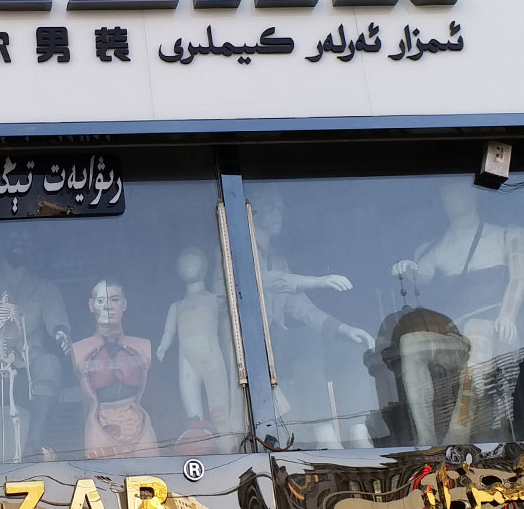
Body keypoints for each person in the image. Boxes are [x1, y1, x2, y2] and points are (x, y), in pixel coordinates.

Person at [389, 177, 524, 445]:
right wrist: (410, 270)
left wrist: (508, 314)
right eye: (448, 191)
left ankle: (458, 432)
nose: (455, 196)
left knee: (477, 327)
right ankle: (426, 440)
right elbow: (422, 275)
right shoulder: (433, 249)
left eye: (461, 189)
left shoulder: (508, 235)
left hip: (498, 332)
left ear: (475, 193)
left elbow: (519, 278)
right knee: (410, 343)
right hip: (458, 338)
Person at [250, 190, 375, 449]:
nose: (278, 214)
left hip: (282, 345)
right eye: (271, 207)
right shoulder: (239, 253)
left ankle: (358, 432)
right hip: (257, 350)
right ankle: (324, 435)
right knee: (305, 339)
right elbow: (267, 280)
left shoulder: (279, 260)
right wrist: (320, 281)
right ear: (254, 214)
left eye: (280, 208)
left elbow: (301, 307)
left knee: (349, 349)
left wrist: (344, 329)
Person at [0, 224, 71, 462]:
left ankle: (33, 445)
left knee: (50, 364)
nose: (18, 241)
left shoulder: (45, 289)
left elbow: (56, 320)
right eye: (12, 235)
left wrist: (61, 332)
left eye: (24, 235)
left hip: (30, 365)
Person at [156, 247, 236, 452]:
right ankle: (200, 450)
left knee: (220, 414)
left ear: (204, 265)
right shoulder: (176, 306)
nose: (188, 266)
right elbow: (168, 331)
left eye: (193, 261)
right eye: (184, 262)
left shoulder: (214, 299)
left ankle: (229, 452)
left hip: (211, 356)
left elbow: (233, 315)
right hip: (186, 360)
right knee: (194, 418)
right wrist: (163, 347)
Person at [71, 280, 157, 459]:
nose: (108, 306)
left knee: (150, 473)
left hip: (139, 424)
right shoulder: (79, 350)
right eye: (101, 301)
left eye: (115, 299)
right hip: (100, 426)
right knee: (101, 476)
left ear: (124, 304)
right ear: (91, 305)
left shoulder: (143, 346)